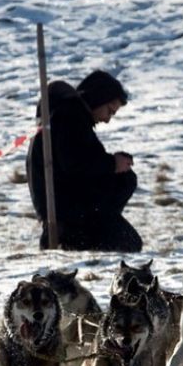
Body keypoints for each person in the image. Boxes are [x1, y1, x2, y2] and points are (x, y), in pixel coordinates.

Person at [26, 69, 142, 252]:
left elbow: (80, 160)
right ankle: (80, 237)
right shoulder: (70, 117)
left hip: (66, 210)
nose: (107, 120)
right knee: (128, 241)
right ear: (99, 98)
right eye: (109, 111)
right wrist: (112, 164)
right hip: (69, 216)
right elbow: (76, 164)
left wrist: (112, 163)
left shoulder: (68, 115)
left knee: (125, 182)